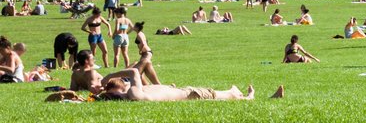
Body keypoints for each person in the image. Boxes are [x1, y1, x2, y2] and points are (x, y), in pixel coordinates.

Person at [96, 78, 280, 101]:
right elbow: (135, 70)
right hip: (188, 94)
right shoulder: (134, 93)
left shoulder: (138, 92)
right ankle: (249, 97)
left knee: (216, 93)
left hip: (184, 91)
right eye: (124, 82)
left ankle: (237, 93)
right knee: (219, 95)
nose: (128, 82)